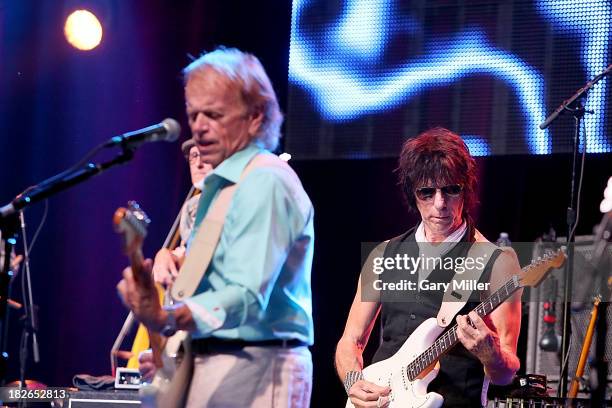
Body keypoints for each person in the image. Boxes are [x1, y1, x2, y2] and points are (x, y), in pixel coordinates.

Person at [118, 47, 314, 407]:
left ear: (256, 116)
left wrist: (165, 317)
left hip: (256, 362)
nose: (198, 126)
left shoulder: (264, 181)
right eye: (194, 114)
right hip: (214, 357)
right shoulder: (223, 187)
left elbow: (245, 294)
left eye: (214, 114)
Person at [335, 127, 522, 407]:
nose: (440, 204)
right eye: (427, 192)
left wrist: (491, 355)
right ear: (413, 193)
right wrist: (353, 382)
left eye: (451, 190)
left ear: (466, 188)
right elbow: (351, 340)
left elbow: (506, 374)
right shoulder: (384, 254)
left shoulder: (497, 261)